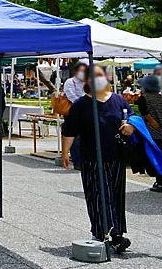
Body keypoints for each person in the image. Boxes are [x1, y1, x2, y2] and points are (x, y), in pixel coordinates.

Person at [61, 65, 135, 254]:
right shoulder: (81, 105)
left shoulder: (118, 100)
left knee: (116, 195)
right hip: (92, 157)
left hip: (117, 156)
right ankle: (108, 233)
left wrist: (130, 126)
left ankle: (115, 230)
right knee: (99, 194)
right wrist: (65, 153)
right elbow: (69, 130)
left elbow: (133, 118)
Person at [136, 75, 162, 192]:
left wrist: (153, 122)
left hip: (154, 133)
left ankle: (161, 183)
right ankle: (161, 181)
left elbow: (144, 113)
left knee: (155, 158)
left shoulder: (143, 98)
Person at [64, 62, 88, 167]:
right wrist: (82, 104)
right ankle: (77, 161)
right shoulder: (70, 82)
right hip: (73, 113)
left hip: (85, 112)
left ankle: (84, 159)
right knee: (75, 137)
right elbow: (71, 96)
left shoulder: (87, 82)